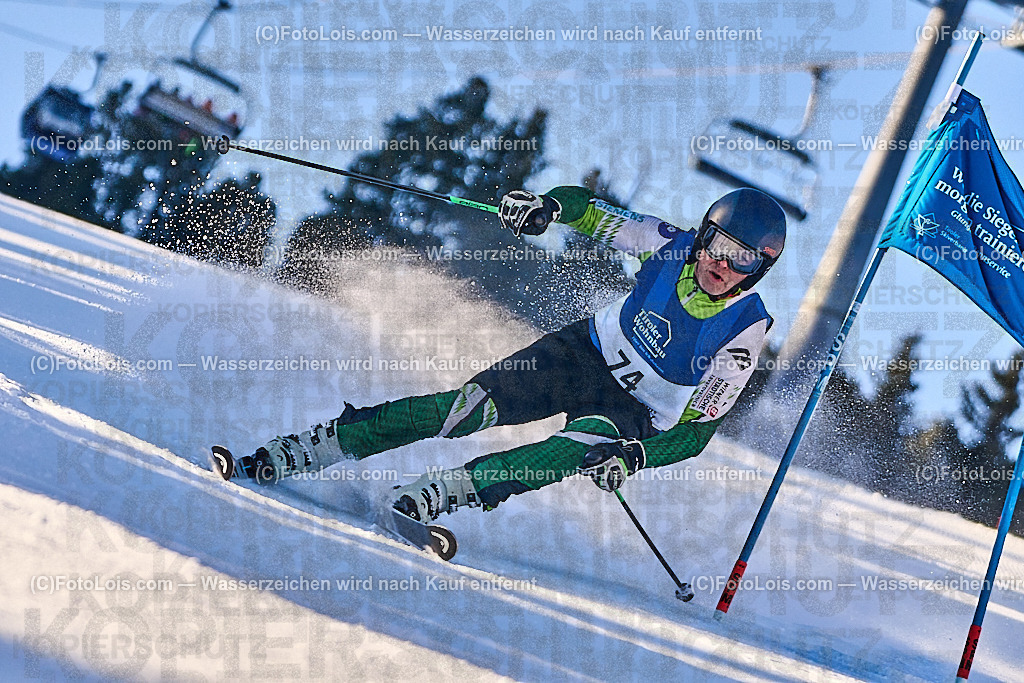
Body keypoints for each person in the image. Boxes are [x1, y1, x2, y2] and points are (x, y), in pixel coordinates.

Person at [235, 185, 786, 523]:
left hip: (634, 412)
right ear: (702, 235)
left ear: (759, 269)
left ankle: (443, 493)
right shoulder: (665, 241)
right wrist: (545, 207)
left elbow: (694, 433)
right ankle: (317, 446)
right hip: (580, 353)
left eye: (740, 261)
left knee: (568, 450)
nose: (721, 264)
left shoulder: (745, 329)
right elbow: (586, 210)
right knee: (463, 408)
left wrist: (635, 456)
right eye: (716, 245)